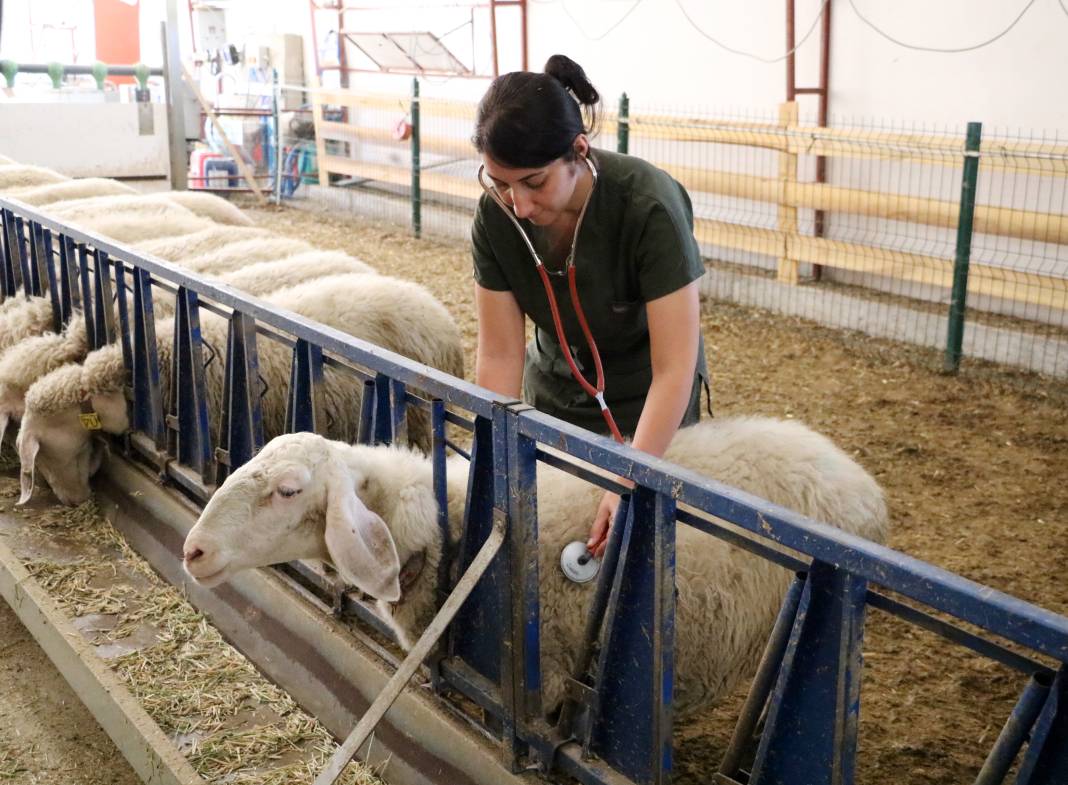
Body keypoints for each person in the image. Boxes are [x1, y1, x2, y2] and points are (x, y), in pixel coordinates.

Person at [471, 54, 709, 558]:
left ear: (578, 151)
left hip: (648, 402)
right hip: (556, 391)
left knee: (636, 548)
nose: (519, 204)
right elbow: (498, 355)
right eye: (500, 183)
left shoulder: (648, 206)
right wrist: (490, 460)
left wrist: (630, 475)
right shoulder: (496, 219)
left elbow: (675, 367)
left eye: (534, 182)